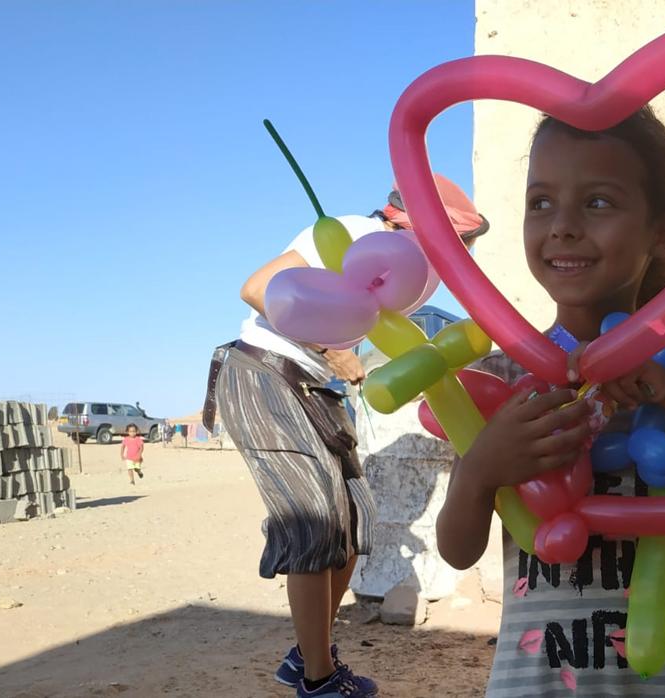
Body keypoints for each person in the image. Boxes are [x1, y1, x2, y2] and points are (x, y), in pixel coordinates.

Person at [436, 107, 665, 696]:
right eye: (540, 202)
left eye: (597, 202)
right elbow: (458, 549)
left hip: (662, 684)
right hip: (530, 686)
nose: (562, 226)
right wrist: (482, 468)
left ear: (662, 227)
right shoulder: (501, 373)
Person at [207, 175, 487, 698]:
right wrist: (332, 349)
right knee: (315, 519)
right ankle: (319, 680)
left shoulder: (401, 277)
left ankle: (306, 653)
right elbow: (256, 287)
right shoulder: (351, 235)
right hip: (264, 375)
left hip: (315, 389)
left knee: (355, 520)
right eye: (456, 245)